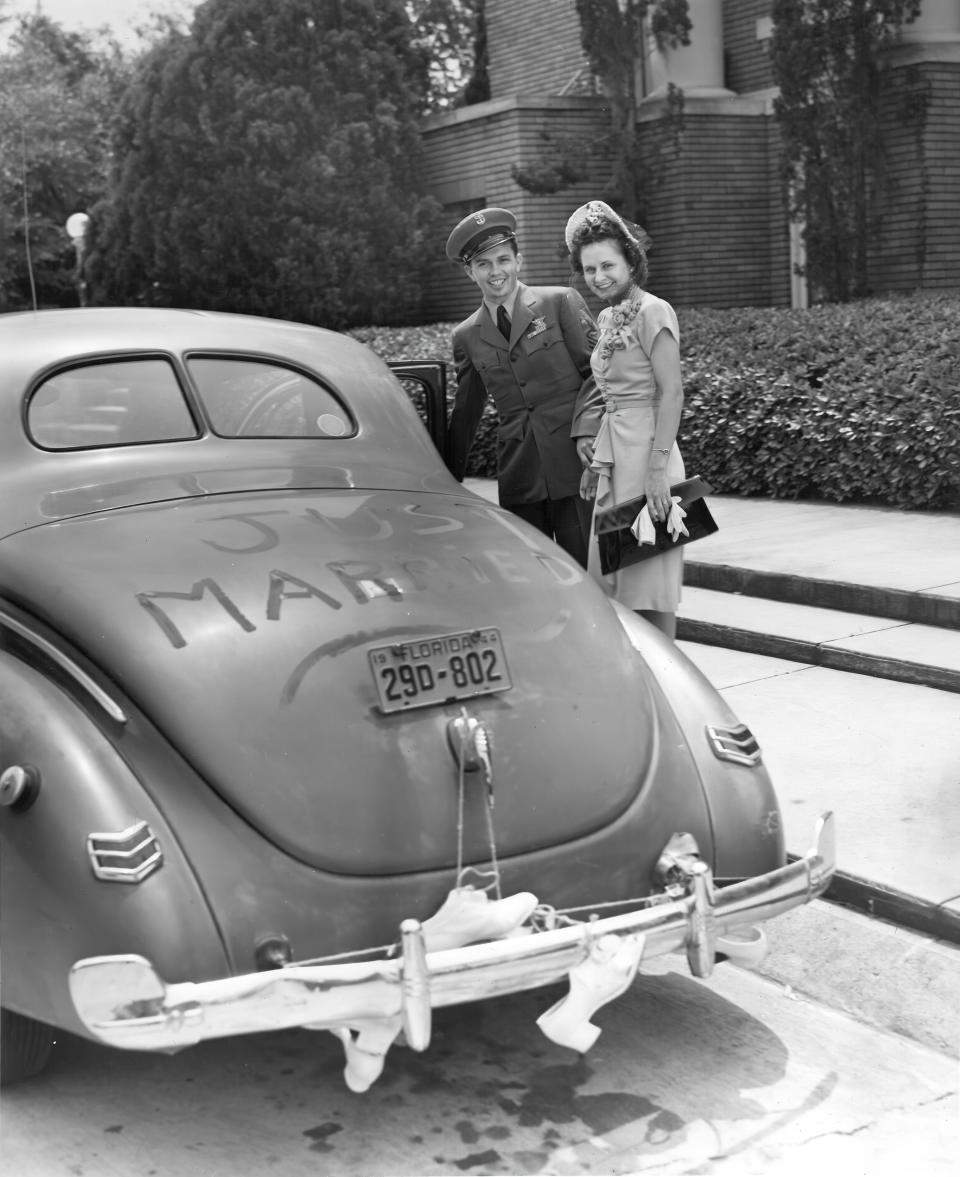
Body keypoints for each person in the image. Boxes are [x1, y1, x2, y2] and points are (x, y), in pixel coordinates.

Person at [445, 207, 603, 567]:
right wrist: (445, 478)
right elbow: (466, 412)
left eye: (503, 259)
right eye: (483, 264)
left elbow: (599, 371)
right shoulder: (466, 336)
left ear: (519, 260)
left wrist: (587, 429)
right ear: (470, 272)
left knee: (586, 571)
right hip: (521, 475)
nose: (495, 272)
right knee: (536, 576)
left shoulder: (559, 302)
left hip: (575, 465)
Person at [565, 200, 685, 638]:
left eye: (608, 266)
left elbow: (671, 393)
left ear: (631, 261)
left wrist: (657, 472)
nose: (599, 277)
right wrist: (599, 461)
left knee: (650, 590)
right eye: (590, 269)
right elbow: (609, 395)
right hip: (617, 462)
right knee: (616, 590)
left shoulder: (656, 311)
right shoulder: (607, 315)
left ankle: (666, 695)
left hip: (650, 459)